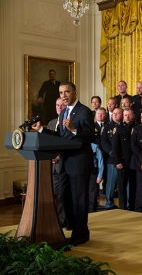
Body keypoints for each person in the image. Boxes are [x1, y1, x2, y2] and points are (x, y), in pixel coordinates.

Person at [32, 81, 94, 246]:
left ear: (75, 92)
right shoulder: (63, 113)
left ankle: (81, 234)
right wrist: (40, 130)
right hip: (65, 162)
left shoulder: (85, 112)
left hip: (80, 162)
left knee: (79, 199)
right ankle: (74, 226)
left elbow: (90, 137)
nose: (63, 96)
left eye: (66, 92)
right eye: (61, 93)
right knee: (65, 198)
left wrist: (74, 129)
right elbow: (60, 136)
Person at [47, 98, 67, 227]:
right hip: (50, 167)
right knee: (53, 195)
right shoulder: (51, 123)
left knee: (62, 195)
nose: (59, 107)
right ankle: (53, 219)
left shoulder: (67, 123)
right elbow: (47, 143)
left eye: (61, 105)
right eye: (57, 105)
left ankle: (62, 221)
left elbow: (69, 143)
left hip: (63, 164)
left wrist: (60, 156)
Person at [112, 107, 136, 210]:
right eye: (125, 115)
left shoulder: (137, 128)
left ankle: (133, 207)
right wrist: (117, 161)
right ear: (123, 116)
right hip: (122, 162)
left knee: (133, 186)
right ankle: (122, 207)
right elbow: (115, 147)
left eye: (129, 115)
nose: (127, 117)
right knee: (121, 187)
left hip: (134, 163)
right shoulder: (119, 129)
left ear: (133, 115)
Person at [101, 107, 123, 210]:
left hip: (124, 160)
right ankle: (109, 203)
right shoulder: (107, 127)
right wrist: (113, 153)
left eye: (118, 113)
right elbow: (104, 142)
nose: (115, 115)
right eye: (114, 113)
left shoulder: (124, 127)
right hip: (111, 159)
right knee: (111, 183)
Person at [88, 143, 104, 213]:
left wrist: (100, 175)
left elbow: (100, 161)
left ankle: (92, 211)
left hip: (93, 172)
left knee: (93, 194)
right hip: (82, 173)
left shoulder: (94, 146)